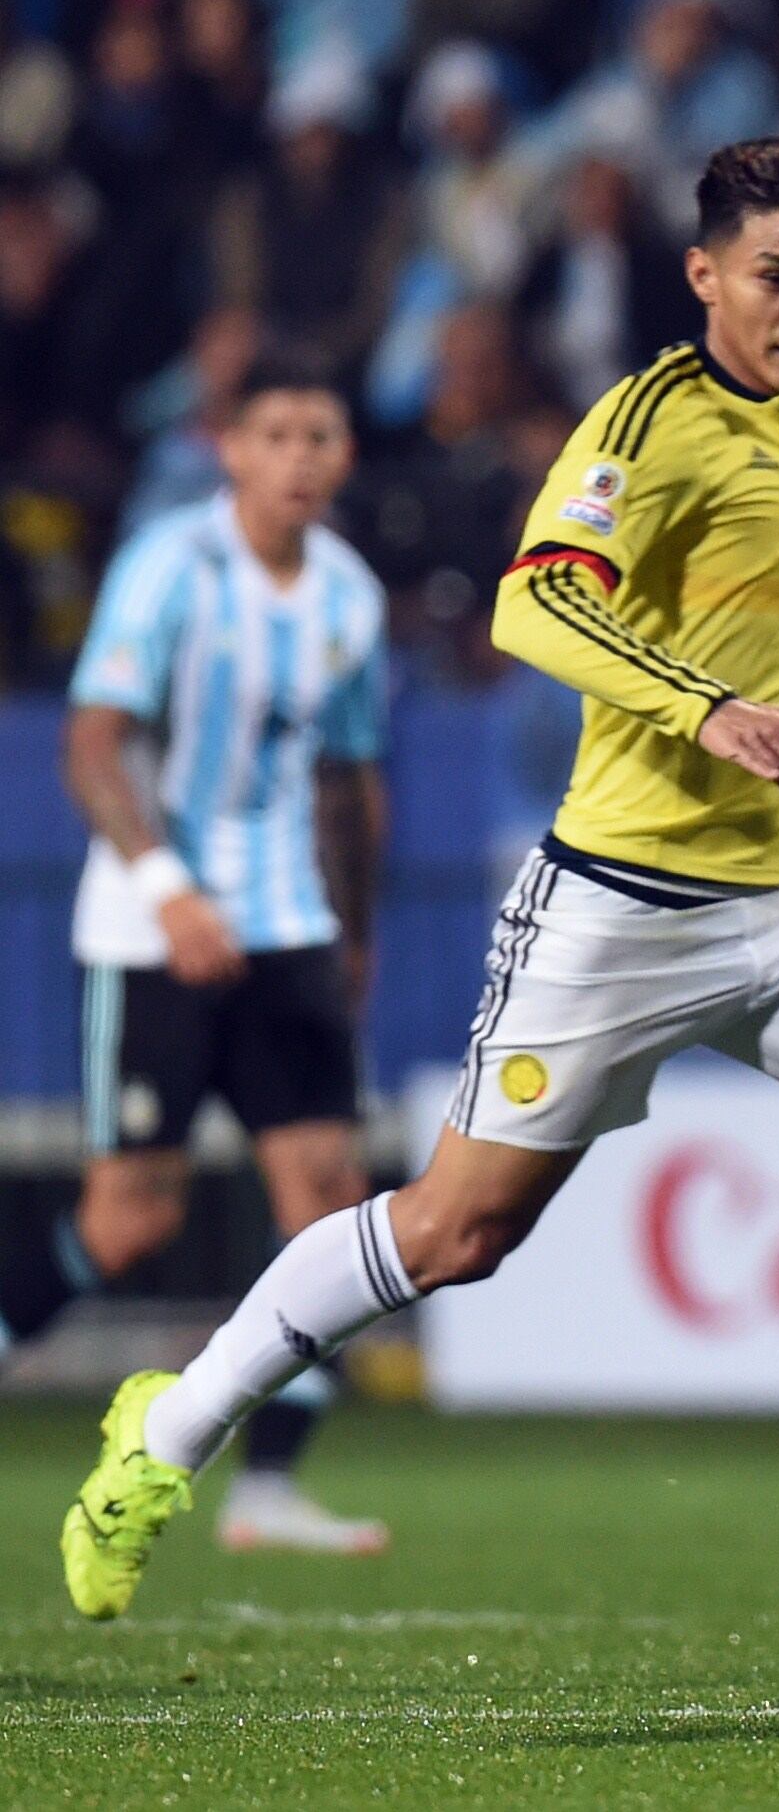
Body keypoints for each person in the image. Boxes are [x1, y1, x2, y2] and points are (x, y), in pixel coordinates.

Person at [64, 142, 779, 1641]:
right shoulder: (651, 419)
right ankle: (163, 1435)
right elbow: (538, 595)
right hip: (622, 902)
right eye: (778, 275)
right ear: (706, 276)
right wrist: (705, 707)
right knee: (456, 1233)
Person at [13, 358, 389, 1558]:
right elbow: (93, 744)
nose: (298, 456)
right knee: (129, 1219)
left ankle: (270, 1491)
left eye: (319, 434)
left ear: (344, 456)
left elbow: (348, 776)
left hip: (287, 930)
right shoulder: (171, 566)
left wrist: (355, 929)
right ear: (231, 448)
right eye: (275, 433)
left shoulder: (348, 595)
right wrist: (168, 890)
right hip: (152, 929)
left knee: (329, 1214)